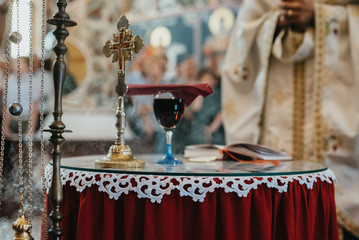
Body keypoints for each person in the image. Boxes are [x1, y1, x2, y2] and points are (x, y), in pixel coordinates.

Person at [222, 0, 359, 239]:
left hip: (339, 139)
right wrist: (274, 22)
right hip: (275, 117)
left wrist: (321, 15)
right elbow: (244, 33)